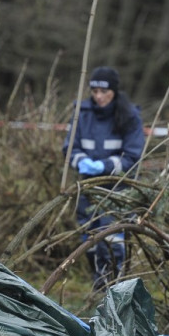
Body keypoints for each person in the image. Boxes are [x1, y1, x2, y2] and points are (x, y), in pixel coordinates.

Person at [63, 66, 145, 291]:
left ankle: (114, 287)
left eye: (104, 92)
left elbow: (133, 156)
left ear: (114, 92)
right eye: (94, 91)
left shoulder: (129, 116)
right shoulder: (82, 113)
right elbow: (70, 147)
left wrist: (105, 166)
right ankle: (98, 285)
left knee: (112, 238)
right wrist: (80, 161)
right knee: (88, 237)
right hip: (87, 188)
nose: (98, 97)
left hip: (117, 189)